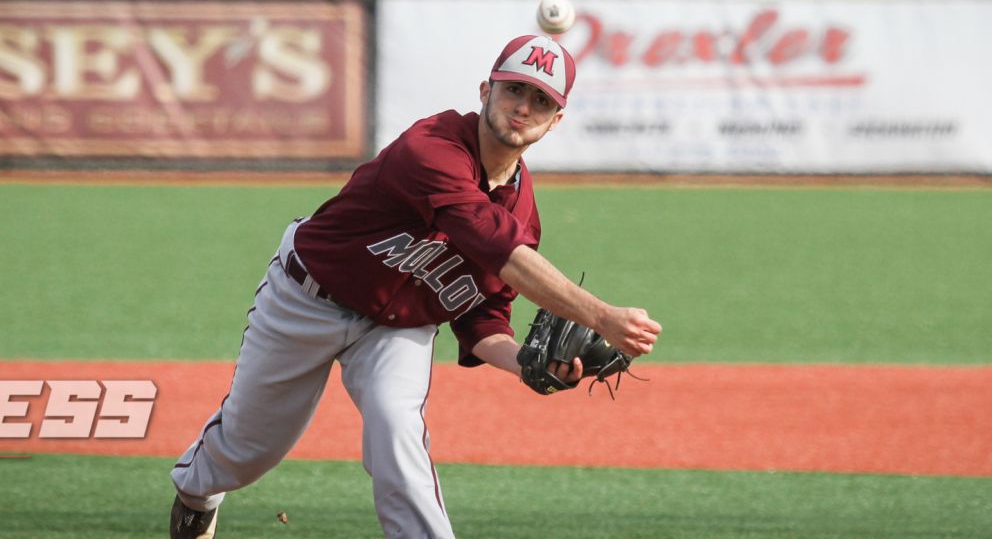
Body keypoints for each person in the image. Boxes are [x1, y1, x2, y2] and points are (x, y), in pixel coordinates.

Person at [169, 34, 662, 539]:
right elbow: (489, 240)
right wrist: (601, 316)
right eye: (514, 90)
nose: (523, 108)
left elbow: (482, 319)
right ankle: (196, 493)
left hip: (398, 330)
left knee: (398, 439)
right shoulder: (432, 146)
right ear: (485, 91)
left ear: (556, 121)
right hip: (307, 297)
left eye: (541, 101)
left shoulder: (524, 214)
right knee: (250, 450)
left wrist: (527, 365)